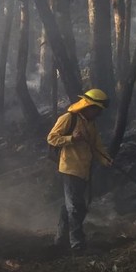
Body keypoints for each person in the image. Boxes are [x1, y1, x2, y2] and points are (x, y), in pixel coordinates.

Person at [47, 88, 112, 251]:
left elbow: (97, 145)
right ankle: (77, 245)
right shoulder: (68, 118)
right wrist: (71, 138)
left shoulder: (91, 123)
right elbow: (51, 138)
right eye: (97, 109)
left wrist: (106, 160)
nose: (98, 113)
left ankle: (60, 239)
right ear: (89, 106)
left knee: (71, 206)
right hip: (70, 168)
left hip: (83, 170)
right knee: (76, 207)